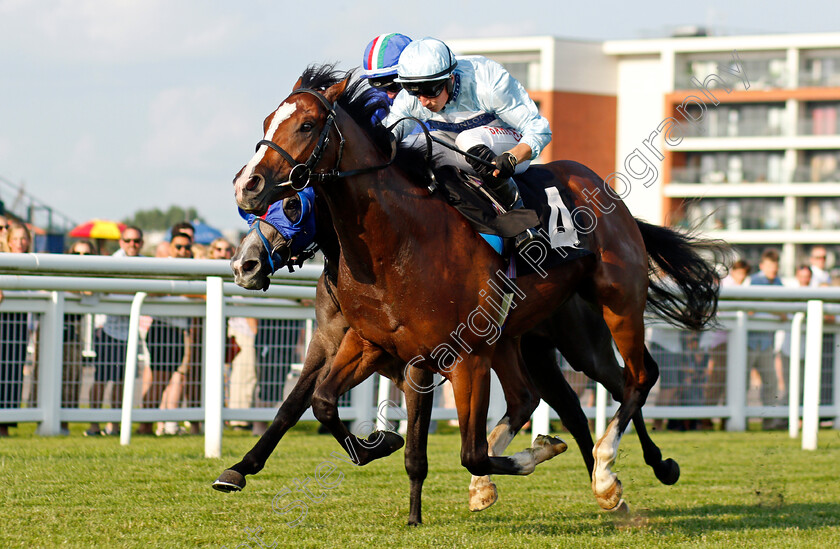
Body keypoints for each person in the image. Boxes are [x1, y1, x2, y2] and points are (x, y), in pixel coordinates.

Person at [385, 37, 552, 248]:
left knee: (468, 139)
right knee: (410, 147)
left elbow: (540, 129)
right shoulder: (414, 98)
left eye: (430, 91)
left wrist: (512, 156)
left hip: (507, 145)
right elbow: (387, 134)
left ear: (451, 78)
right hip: (461, 148)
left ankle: (520, 219)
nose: (423, 101)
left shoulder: (487, 82)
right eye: (413, 91)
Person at [87, 227, 145, 436]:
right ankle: (93, 424)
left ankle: (115, 425)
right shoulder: (113, 260)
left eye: (136, 241)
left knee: (122, 381)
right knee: (102, 379)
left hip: (129, 332)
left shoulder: (145, 261)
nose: (132, 244)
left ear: (142, 243)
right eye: (128, 240)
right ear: (121, 242)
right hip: (108, 330)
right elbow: (108, 287)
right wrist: (136, 288)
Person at [138, 232, 193, 435]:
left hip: (178, 331)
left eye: (186, 248)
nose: (182, 251)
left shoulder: (192, 267)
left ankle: (148, 425)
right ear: (171, 247)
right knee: (158, 382)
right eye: (178, 247)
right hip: (162, 329)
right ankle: (145, 425)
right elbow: (155, 290)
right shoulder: (164, 266)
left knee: (165, 381)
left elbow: (202, 293)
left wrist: (176, 290)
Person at [700, 259, 751, 429]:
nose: (741, 276)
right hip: (720, 341)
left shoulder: (737, 286)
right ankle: (707, 419)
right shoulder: (728, 286)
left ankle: (719, 420)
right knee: (718, 379)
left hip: (728, 340)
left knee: (727, 381)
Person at [0, 222, 33, 436]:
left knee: (13, 370)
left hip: (19, 322)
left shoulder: (32, 262)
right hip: (3, 320)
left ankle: (5, 424)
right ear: (8, 241)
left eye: (23, 239)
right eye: (15, 239)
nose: (19, 243)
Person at [62, 240, 97, 435]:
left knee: (73, 376)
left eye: (87, 255)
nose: (82, 260)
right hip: (54, 327)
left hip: (74, 330)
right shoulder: (63, 271)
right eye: (77, 255)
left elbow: (91, 291)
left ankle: (65, 423)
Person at [748, 249, 785, 430]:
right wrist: (775, 310)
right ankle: (740, 421)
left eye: (776, 265)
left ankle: (769, 421)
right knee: (742, 381)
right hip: (748, 341)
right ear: (763, 265)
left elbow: (782, 309)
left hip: (766, 343)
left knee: (771, 382)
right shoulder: (755, 280)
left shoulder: (779, 283)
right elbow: (754, 308)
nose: (774, 268)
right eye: (771, 265)